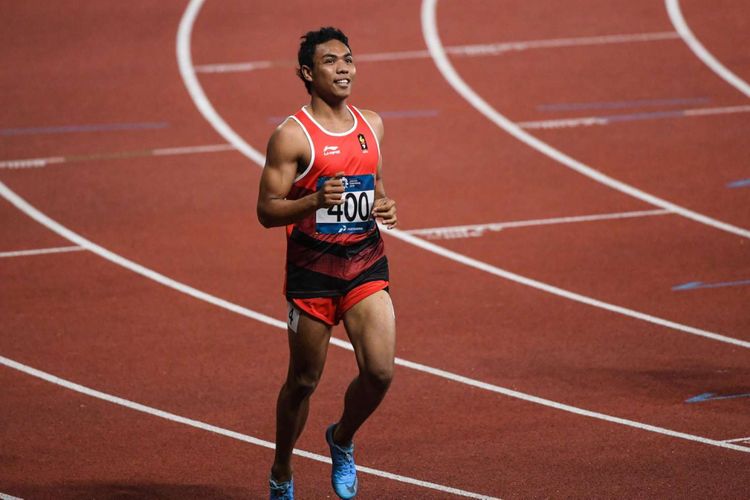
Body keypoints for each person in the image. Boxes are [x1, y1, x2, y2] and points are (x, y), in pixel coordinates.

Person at [256, 26, 398, 500]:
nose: (343, 69)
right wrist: (313, 201)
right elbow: (266, 210)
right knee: (303, 381)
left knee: (379, 372)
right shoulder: (292, 137)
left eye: (348, 60)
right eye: (331, 62)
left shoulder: (372, 124)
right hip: (313, 273)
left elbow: (374, 184)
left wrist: (384, 205)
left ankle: (341, 439)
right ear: (307, 72)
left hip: (364, 264)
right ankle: (281, 470)